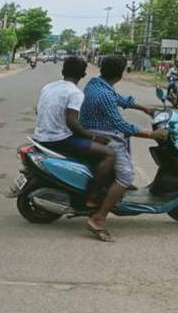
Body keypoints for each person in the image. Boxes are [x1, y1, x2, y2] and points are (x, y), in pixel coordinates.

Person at [80, 55, 169, 242]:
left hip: (94, 130)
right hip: (104, 135)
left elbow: (119, 99)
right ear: (121, 74)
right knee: (127, 175)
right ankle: (98, 219)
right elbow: (122, 126)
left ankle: (111, 189)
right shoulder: (104, 95)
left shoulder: (96, 84)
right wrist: (152, 135)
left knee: (124, 149)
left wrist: (145, 109)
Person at [33, 56, 116, 209]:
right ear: (83, 75)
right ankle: (93, 197)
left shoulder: (49, 86)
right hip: (59, 140)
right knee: (109, 154)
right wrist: (94, 136)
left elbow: (38, 110)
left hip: (40, 136)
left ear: (63, 70)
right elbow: (72, 122)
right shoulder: (75, 93)